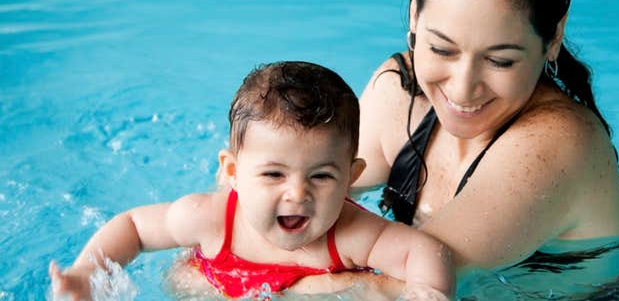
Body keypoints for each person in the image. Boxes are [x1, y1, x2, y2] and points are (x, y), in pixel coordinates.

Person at [353, 0, 619, 269]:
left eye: (500, 61)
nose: (462, 87)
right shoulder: (400, 93)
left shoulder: (559, 144)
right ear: (414, 15)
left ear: (553, 39)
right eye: (442, 50)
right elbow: (289, 200)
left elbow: (415, 282)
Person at [49, 61, 454, 300]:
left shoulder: (350, 235)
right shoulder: (210, 220)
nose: (298, 194)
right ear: (232, 173)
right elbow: (134, 227)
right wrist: (87, 273)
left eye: (322, 176)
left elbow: (425, 252)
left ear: (352, 177)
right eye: (274, 174)